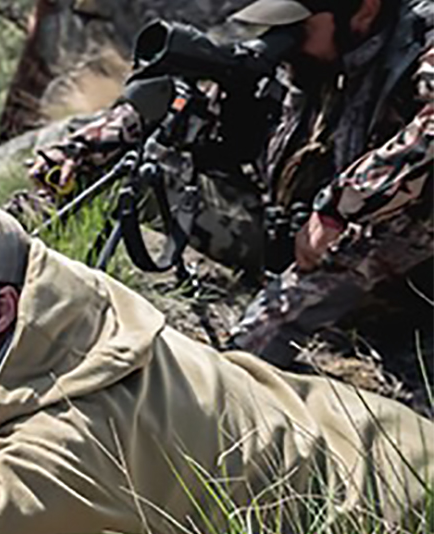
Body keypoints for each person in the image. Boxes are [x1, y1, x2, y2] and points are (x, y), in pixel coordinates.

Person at [0, 195, 433, 534]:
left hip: (395, 525)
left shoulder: (76, 439)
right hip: (363, 430)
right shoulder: (73, 310)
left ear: (1, 309)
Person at [28, 0, 433, 396]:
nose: (283, 41)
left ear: (363, 11)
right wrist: (83, 147)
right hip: (287, 234)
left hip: (389, 260)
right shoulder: (316, 60)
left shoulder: (419, 42)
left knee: (230, 371)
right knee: (124, 176)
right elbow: (179, 99)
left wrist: (338, 210)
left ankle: (224, 384)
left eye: (297, 27)